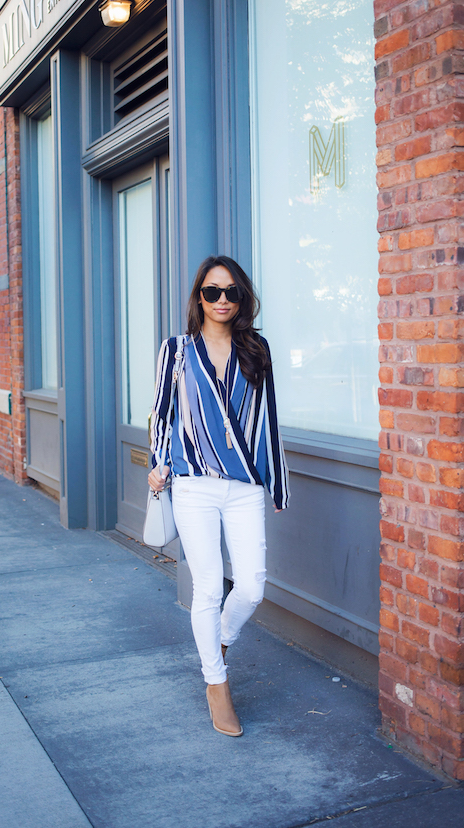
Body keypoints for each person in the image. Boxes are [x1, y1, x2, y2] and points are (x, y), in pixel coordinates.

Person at [148, 255, 289, 737]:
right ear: (199, 297)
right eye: (212, 291)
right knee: (208, 587)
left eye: (231, 292)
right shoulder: (177, 351)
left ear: (241, 297)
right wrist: (158, 461)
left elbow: (268, 419)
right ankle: (217, 684)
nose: (222, 300)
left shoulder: (257, 349)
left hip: (245, 484)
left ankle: (220, 642)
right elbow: (161, 414)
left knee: (251, 586)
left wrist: (277, 482)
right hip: (193, 485)